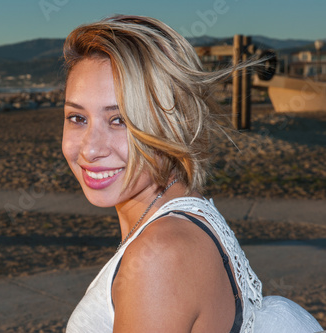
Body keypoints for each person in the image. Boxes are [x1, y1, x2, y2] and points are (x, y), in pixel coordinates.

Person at [61, 15, 324, 333]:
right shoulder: (186, 214)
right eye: (77, 117)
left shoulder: (160, 255)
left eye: (120, 120)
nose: (90, 149)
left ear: (174, 122)